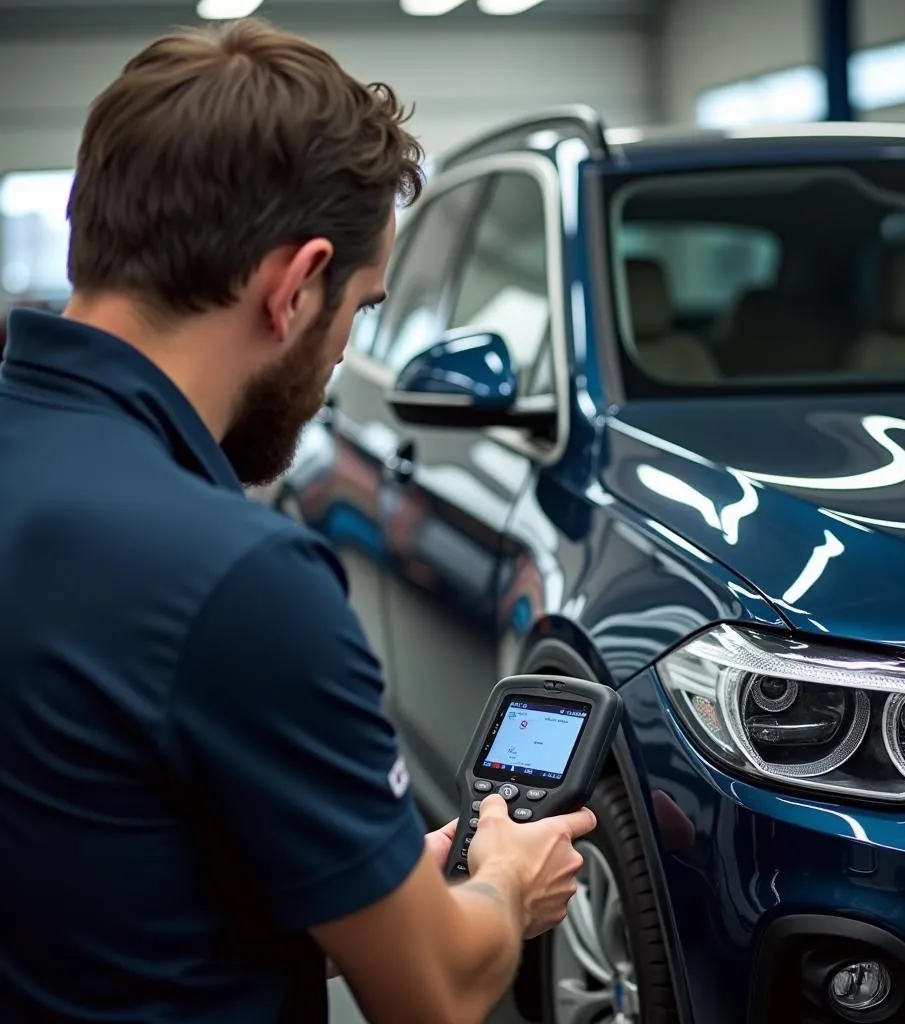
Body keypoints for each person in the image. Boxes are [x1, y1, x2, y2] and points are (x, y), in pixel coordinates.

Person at [0, 18, 596, 1024]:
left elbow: (100, 877)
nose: (340, 367)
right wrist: (501, 884)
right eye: (359, 311)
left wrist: (362, 875)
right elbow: (434, 991)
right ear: (293, 285)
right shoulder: (240, 576)